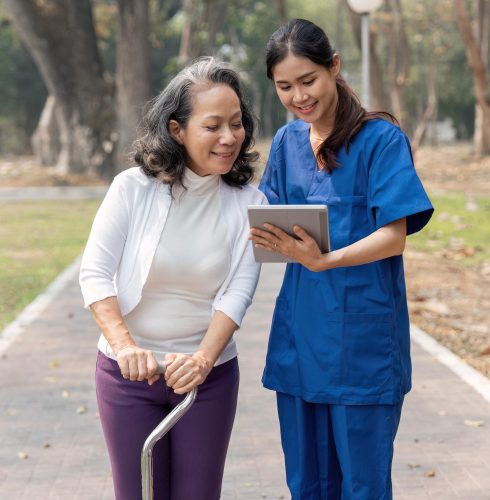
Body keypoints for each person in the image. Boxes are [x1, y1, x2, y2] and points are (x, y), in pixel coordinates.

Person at [249, 19, 434, 500]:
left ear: (334, 66)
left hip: (361, 346)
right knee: (307, 484)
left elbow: (394, 237)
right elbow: (264, 218)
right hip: (299, 338)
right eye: (284, 87)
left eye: (307, 80)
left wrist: (325, 261)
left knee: (363, 487)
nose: (298, 96)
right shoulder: (288, 144)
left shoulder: (380, 140)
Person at [79, 57, 266, 500]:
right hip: (129, 378)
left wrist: (202, 359)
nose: (229, 138)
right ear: (177, 129)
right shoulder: (131, 189)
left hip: (208, 377)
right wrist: (125, 346)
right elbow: (95, 272)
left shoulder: (249, 202)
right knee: (139, 493)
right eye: (213, 125)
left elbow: (238, 292)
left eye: (237, 124)